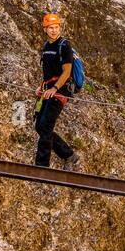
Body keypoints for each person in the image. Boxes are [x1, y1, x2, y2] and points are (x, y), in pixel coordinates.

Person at [34, 12, 80, 170]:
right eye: (50, 28)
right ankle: (68, 155)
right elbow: (48, 72)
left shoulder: (64, 45)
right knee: (39, 127)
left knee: (46, 125)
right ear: (45, 29)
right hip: (48, 89)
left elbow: (66, 72)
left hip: (60, 91)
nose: (54, 30)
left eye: (56, 27)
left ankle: (41, 166)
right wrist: (42, 87)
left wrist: (54, 88)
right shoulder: (46, 47)